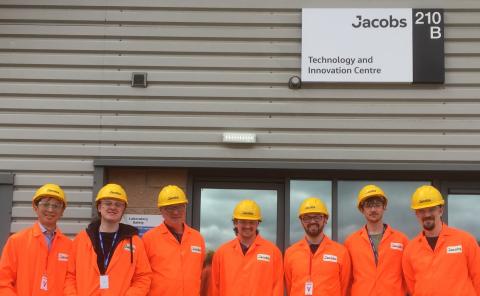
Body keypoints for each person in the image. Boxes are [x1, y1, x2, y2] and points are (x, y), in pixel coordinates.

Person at [64, 183, 151, 295]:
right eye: (108, 203)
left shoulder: (134, 241)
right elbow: (70, 276)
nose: (113, 207)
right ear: (99, 207)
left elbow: (143, 277)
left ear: (123, 209)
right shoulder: (81, 239)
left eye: (118, 204)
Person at [402, 185, 480, 295]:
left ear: (441, 210)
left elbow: (478, 278)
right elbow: (412, 287)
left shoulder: (465, 241)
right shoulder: (410, 249)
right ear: (416, 214)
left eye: (431, 209)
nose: (427, 214)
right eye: (422, 211)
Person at [0, 183, 72, 295]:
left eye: (56, 205)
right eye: (46, 204)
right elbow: (3, 283)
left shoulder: (69, 246)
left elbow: (70, 282)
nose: (50, 209)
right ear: (35, 207)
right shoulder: (16, 241)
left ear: (62, 211)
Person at [344, 185, 408, 296]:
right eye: (369, 206)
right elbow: (346, 280)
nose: (373, 210)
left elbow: (409, 277)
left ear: (384, 207)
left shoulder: (401, 240)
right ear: (362, 209)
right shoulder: (351, 242)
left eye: (377, 205)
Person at [142, 185, 206, 296]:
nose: (176, 212)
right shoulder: (149, 239)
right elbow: (141, 276)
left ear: (185, 207)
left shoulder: (197, 238)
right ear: (161, 210)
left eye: (180, 206)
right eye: (170, 208)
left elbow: (201, 275)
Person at [210, 199, 283, 296]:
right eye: (243, 221)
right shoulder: (221, 253)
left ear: (258, 223)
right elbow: (214, 289)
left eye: (251, 222)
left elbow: (277, 288)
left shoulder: (273, 252)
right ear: (235, 223)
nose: (247, 226)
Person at [284, 197, 351, 296]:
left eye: (317, 217)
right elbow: (289, 287)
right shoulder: (290, 253)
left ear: (325, 219)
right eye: (306, 218)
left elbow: (345, 288)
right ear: (301, 221)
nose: (312, 221)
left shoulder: (341, 252)